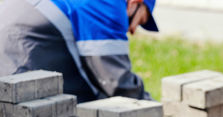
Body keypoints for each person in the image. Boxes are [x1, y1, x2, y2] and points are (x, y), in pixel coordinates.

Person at [0, 0, 158, 103]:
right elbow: (116, 82)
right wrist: (156, 112)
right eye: (139, 21)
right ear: (133, 3)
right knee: (86, 104)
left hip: (11, 44)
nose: (132, 30)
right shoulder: (109, 5)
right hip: (19, 58)